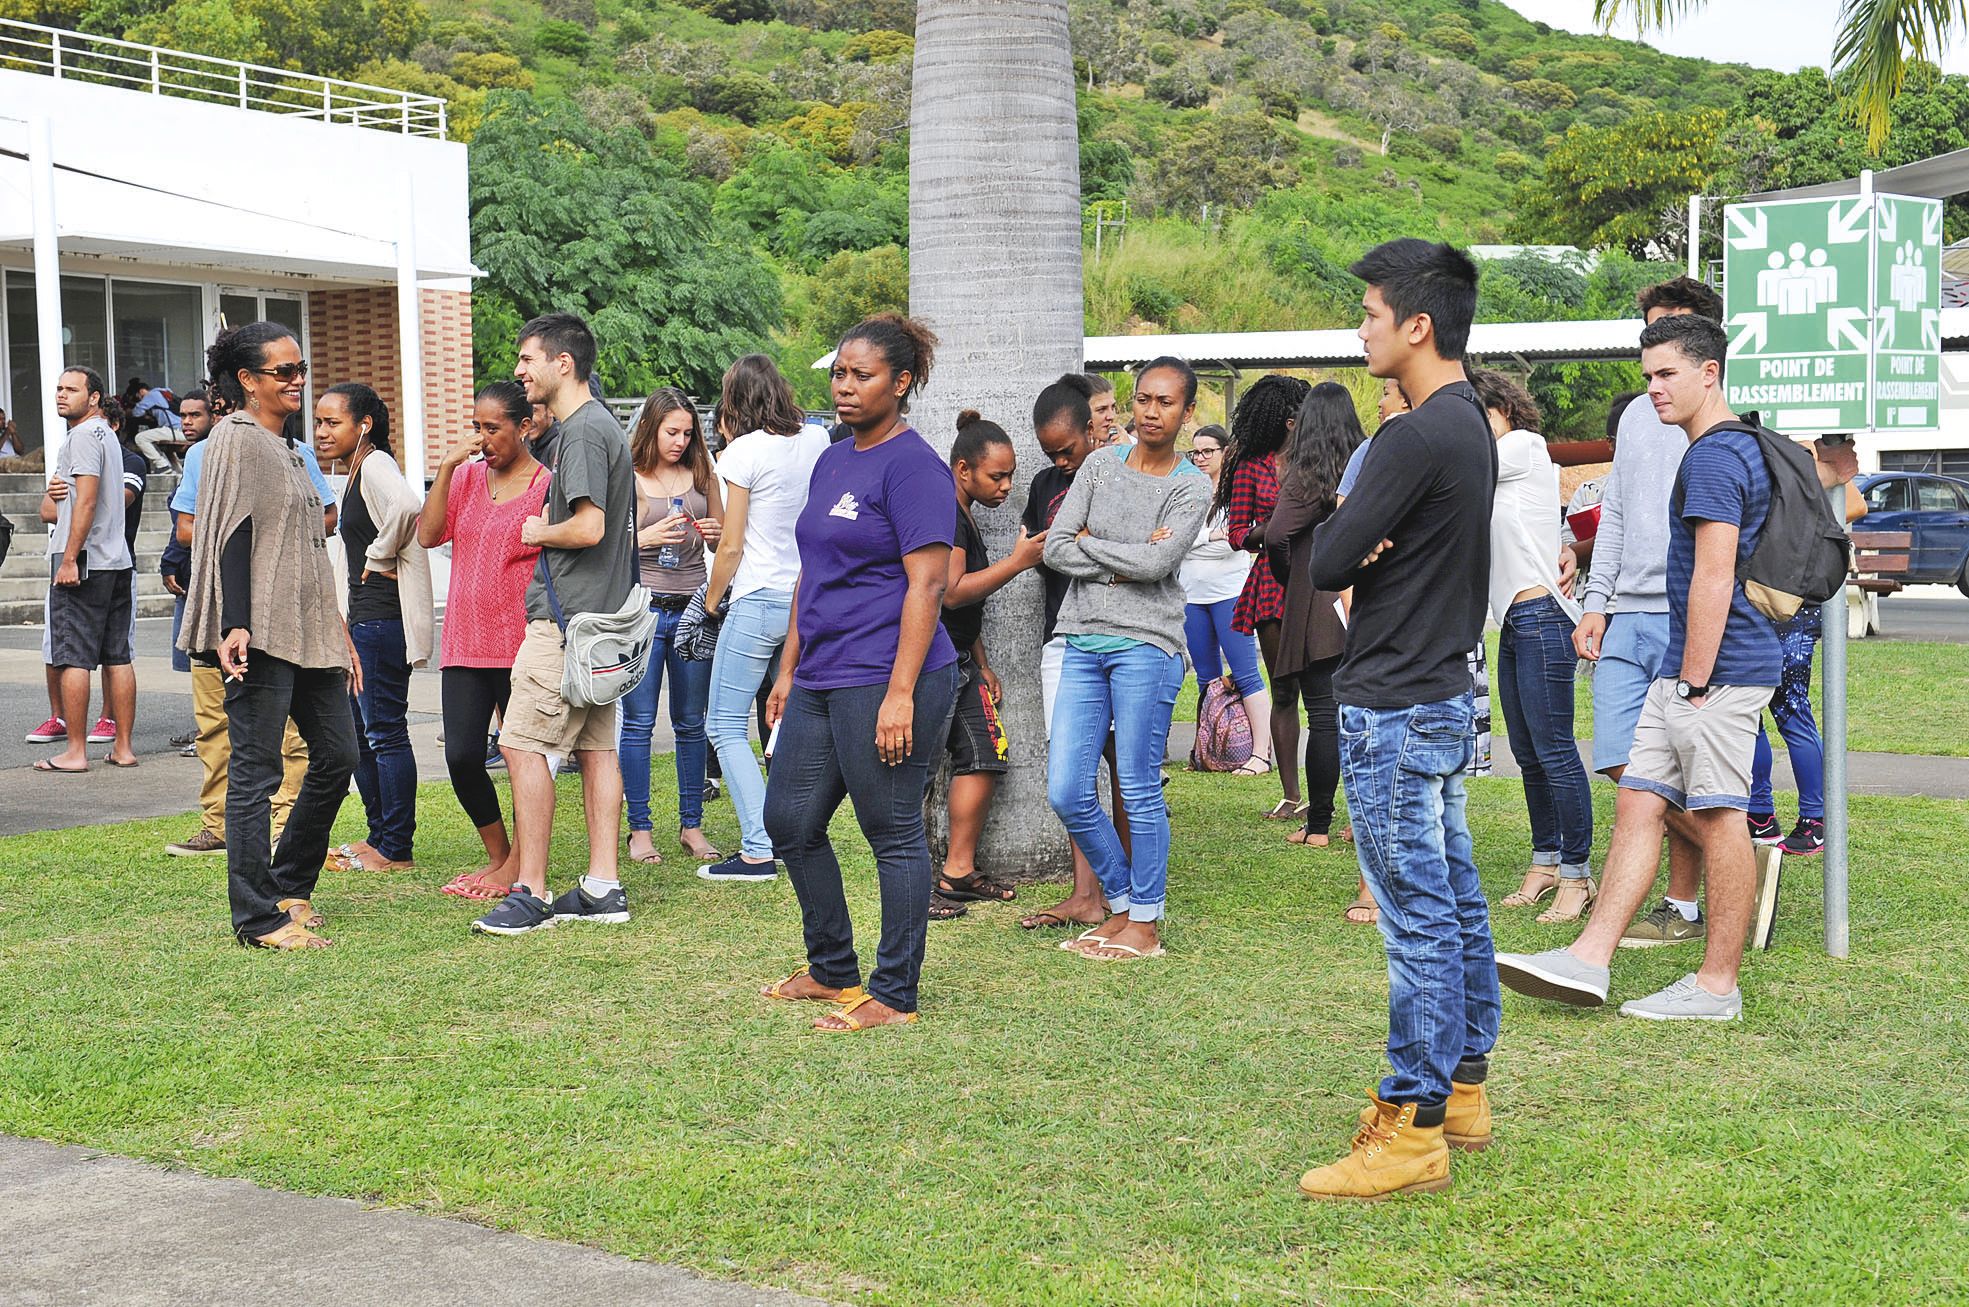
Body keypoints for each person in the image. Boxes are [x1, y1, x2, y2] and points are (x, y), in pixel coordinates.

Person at [1497, 312, 1781, 1022]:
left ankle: (1717, 987)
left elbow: (1713, 577)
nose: (1651, 389)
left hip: (1716, 668)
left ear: (1708, 372)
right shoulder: (1705, 448)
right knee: (1636, 798)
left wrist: (1689, 680)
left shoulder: (1716, 455)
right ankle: (1589, 959)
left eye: (1665, 374)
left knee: (1717, 816)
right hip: (1686, 668)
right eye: (1646, 375)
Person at [1300, 239, 1495, 1201]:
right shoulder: (1470, 423)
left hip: (1392, 701)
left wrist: (1355, 531)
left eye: (1371, 313)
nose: (1362, 328)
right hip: (1441, 693)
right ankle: (1461, 1090)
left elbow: (1327, 555)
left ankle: (1412, 1125)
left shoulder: (1415, 434)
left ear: (1417, 324)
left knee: (1415, 917)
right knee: (1453, 899)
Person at [758, 314, 962, 1032]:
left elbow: (928, 586)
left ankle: (894, 993)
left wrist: (901, 692)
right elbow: (811, 569)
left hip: (887, 675)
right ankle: (830, 967)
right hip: (820, 671)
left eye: (861, 374)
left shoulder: (914, 466)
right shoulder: (833, 456)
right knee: (787, 818)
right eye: (839, 373)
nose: (844, 386)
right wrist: (788, 667)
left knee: (891, 829)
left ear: (900, 383)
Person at [179, 323, 359, 949]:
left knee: (339, 754)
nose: (297, 380)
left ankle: (287, 886)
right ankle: (258, 919)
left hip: (308, 629)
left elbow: (306, 551)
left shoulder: (287, 446)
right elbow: (230, 532)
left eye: (300, 368)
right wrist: (234, 623)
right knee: (255, 772)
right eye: (282, 371)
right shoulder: (237, 438)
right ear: (248, 381)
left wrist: (337, 630)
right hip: (258, 630)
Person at [1567, 277, 1726, 948]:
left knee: (1681, 766)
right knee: (1617, 759)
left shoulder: (1731, 417)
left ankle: (1681, 905)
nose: (1656, 359)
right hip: (1623, 611)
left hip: (1685, 607)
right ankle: (1740, 851)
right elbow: (1617, 513)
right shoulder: (1637, 413)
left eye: (1672, 331)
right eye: (1650, 333)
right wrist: (1594, 601)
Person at [470, 313, 639, 936]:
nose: (519, 370)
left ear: (562, 364)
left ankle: (531, 892)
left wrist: (538, 529)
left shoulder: (584, 432)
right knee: (596, 750)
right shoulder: (593, 429)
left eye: (527, 358)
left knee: (519, 744)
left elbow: (590, 527)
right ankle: (602, 887)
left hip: (569, 623)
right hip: (600, 622)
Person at [1045, 355, 1212, 963]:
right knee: (1066, 788)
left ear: (1187, 413)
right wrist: (1119, 554)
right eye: (1143, 399)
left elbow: (1157, 567)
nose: (1150, 411)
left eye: (1166, 402)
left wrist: (1097, 546)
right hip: (1083, 639)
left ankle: (1144, 920)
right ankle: (1121, 901)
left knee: (1138, 787)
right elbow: (1058, 547)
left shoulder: (1191, 485)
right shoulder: (1096, 464)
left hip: (1149, 644)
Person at [163, 389, 330, 858]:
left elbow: (325, 512)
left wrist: (274, 531)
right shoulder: (205, 453)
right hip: (218, 607)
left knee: (292, 732)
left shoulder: (296, 453)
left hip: (282, 611)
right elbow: (187, 527)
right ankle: (215, 824)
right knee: (214, 723)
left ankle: (286, 821)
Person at [697, 355, 829, 884]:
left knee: (724, 724)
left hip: (756, 599)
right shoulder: (816, 439)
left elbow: (730, 544)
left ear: (734, 400)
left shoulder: (740, 453)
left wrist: (709, 601)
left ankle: (757, 847)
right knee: (791, 720)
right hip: (805, 597)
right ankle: (791, 833)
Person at [1469, 368, 1593, 923]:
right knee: (1526, 751)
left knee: (1555, 751)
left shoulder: (1523, 444)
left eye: (1479, 412)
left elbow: (1463, 461)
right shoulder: (1495, 466)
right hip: (1516, 622)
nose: (1472, 424)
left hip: (1543, 615)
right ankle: (1545, 862)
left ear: (1505, 411)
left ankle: (1576, 874)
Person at [417, 381, 549, 898]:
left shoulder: (546, 484)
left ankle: (520, 861)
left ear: (525, 426)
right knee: (463, 756)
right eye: (478, 427)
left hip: (521, 643)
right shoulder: (468, 478)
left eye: (493, 428)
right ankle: (498, 855)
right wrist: (448, 468)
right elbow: (428, 536)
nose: (484, 438)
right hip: (466, 640)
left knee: (522, 757)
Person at [1015, 373, 1129, 933]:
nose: (1060, 461)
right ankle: (1087, 894)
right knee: (1074, 772)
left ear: (1093, 428)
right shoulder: (1043, 485)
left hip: (1126, 634)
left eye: (1067, 449)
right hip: (1065, 638)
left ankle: (1134, 888)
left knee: (1130, 770)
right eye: (1050, 453)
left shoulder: (1128, 472)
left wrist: (1076, 546)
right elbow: (1045, 553)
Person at [930, 410, 1047, 919]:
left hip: (960, 659)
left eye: (1010, 476)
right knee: (920, 771)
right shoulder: (946, 513)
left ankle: (957, 872)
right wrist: (1017, 562)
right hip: (932, 661)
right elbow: (951, 594)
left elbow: (961, 611)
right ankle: (926, 884)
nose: (1006, 487)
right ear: (963, 470)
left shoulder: (963, 510)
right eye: (996, 476)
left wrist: (982, 662)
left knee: (985, 754)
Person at [315, 382, 431, 874]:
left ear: (363, 425)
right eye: (318, 422)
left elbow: (409, 506)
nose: (321, 432)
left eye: (332, 422)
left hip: (384, 621)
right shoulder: (355, 470)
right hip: (363, 618)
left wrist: (378, 556)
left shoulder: (377, 463)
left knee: (383, 732)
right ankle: (379, 835)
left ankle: (395, 847)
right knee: (361, 732)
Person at [620, 387, 725, 867]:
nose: (680, 441)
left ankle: (692, 825)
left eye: (687, 432)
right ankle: (639, 830)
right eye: (671, 432)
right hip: (643, 611)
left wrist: (715, 533)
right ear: (651, 429)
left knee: (690, 722)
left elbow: (726, 535)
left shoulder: (703, 476)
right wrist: (645, 536)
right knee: (639, 724)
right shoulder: (630, 477)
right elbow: (607, 545)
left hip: (692, 608)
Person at [1261, 383, 1359, 860]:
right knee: (1358, 719)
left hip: (1320, 605)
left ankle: (1318, 824)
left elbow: (1276, 535)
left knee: (1323, 718)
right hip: (1360, 602)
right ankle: (1360, 822)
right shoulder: (1365, 464)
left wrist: (1293, 577)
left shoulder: (1306, 475)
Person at [34, 366, 136, 774]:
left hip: (86, 561)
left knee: (74, 656)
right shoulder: (106, 435)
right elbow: (52, 508)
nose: (61, 395)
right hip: (116, 560)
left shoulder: (81, 437)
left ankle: (75, 751)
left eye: (71, 389)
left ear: (94, 397)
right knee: (117, 656)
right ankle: (123, 748)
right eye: (58, 388)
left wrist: (71, 557)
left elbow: (88, 502)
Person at [1219, 376, 1313, 807]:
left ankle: (1329, 791)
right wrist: (1272, 530)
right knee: (1283, 690)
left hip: (1318, 577)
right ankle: (1291, 794)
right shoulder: (1250, 464)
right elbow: (1237, 532)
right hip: (1272, 582)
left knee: (1326, 695)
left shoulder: (1318, 457)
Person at [1180, 423, 1267, 755]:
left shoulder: (1237, 491)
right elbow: (1175, 539)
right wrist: (1209, 537)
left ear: (1225, 452)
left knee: (1246, 674)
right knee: (1206, 678)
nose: (1200, 458)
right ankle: (1209, 749)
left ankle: (1261, 751)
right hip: (1192, 595)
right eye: (1195, 452)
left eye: (1207, 451)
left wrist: (1202, 541)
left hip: (1230, 594)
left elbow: (1237, 542)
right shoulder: (1187, 491)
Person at [123, 376, 179, 472]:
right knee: (160, 443)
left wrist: (127, 412)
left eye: (137, 398)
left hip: (174, 430)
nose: (139, 400)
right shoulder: (165, 392)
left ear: (141, 392)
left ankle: (162, 466)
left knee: (140, 438)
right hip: (181, 429)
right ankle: (177, 469)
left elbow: (136, 412)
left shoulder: (151, 395)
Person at [1086, 372, 1125, 445]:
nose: (1111, 416)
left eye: (1113, 407)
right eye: (1101, 410)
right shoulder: (1062, 453)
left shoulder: (1125, 444)